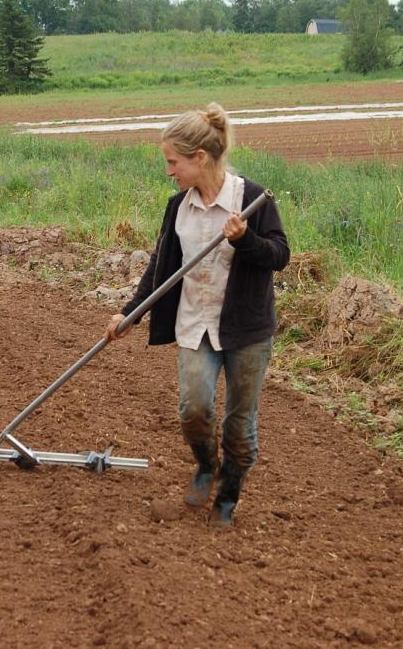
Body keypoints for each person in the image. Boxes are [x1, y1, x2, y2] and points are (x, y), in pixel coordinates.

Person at [106, 103, 290, 527]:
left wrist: (245, 240)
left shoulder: (251, 200)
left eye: (173, 162)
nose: (170, 171)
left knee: (239, 426)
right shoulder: (178, 207)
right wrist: (128, 312)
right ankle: (206, 467)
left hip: (246, 331)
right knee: (193, 411)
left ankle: (228, 495)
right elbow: (161, 267)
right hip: (195, 325)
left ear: (199, 158)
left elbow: (280, 255)